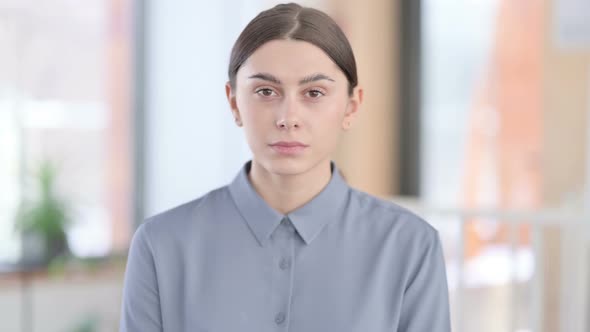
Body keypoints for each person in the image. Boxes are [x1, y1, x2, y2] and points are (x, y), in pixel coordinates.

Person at [119, 3, 451, 331]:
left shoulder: (411, 247)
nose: (288, 118)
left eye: (314, 93)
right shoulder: (160, 246)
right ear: (234, 103)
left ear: (351, 106)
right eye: (265, 91)